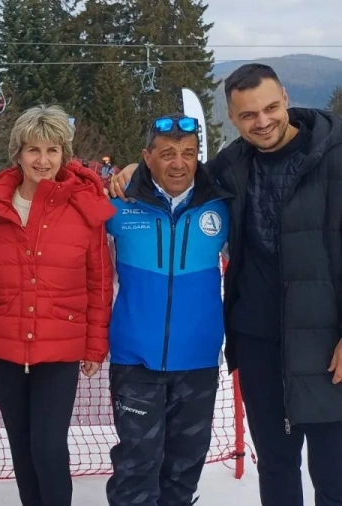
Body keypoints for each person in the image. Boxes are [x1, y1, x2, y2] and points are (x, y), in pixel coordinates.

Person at [109, 64, 342, 506]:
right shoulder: (231, 167)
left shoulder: (335, 153)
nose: (263, 121)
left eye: (270, 108)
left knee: (333, 470)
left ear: (286, 98)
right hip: (258, 340)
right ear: (232, 118)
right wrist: (131, 173)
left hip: (325, 340)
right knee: (275, 463)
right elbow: (173, 175)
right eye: (248, 114)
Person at [0, 105, 114, 506]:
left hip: (60, 342)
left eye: (52, 150)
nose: (43, 160)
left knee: (48, 446)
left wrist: (95, 346)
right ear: (18, 153)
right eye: (34, 149)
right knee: (21, 444)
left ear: (64, 154)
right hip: (4, 341)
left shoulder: (83, 205)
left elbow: (100, 281)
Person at [104, 114, 230, 506]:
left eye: (188, 153)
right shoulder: (118, 204)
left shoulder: (222, 205)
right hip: (135, 362)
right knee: (136, 468)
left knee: (183, 470)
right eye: (167, 153)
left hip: (199, 361)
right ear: (147, 157)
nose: (179, 163)